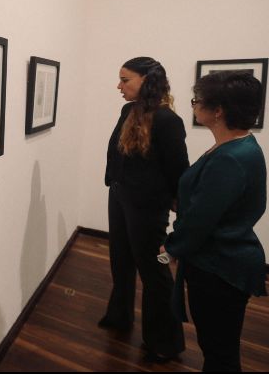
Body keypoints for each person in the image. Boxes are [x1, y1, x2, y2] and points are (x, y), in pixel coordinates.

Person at [162, 71, 267, 372]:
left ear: (218, 110)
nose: (194, 106)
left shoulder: (230, 158)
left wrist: (169, 248)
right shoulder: (241, 146)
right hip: (224, 261)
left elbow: (200, 220)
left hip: (219, 269)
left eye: (197, 100)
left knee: (219, 351)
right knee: (218, 346)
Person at [100, 57, 188, 362]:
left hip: (148, 205)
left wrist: (177, 204)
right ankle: (119, 316)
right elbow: (116, 151)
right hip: (121, 196)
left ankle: (164, 340)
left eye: (126, 80)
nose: (119, 86)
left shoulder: (167, 120)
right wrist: (114, 182)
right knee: (120, 260)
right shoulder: (129, 110)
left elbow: (178, 168)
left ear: (146, 81)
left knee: (153, 270)